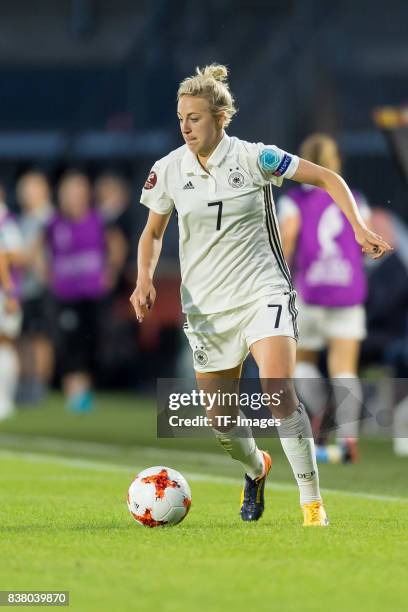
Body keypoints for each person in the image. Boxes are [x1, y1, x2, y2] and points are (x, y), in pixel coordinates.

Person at [130, 64, 390, 526]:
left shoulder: (257, 159)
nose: (186, 126)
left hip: (262, 290)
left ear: (219, 118)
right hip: (207, 309)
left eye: (195, 117)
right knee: (220, 422)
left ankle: (313, 505)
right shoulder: (167, 170)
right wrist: (143, 279)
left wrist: (359, 227)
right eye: (181, 117)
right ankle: (256, 467)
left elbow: (328, 177)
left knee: (277, 389)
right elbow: (153, 233)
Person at [278, 134, 372, 463]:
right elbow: (365, 243)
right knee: (344, 368)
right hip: (347, 291)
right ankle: (348, 440)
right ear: (337, 162)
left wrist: (281, 278)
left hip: (311, 292)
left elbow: (287, 240)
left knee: (301, 363)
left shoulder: (294, 201)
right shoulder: (356, 198)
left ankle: (320, 411)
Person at [44, 170, 107, 412]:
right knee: (68, 344)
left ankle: (85, 391)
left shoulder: (97, 220)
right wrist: (47, 274)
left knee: (90, 344)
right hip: (65, 295)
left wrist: (109, 273)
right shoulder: (55, 224)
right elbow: (41, 250)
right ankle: (75, 395)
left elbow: (114, 245)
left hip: (92, 295)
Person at [16, 170, 55, 403]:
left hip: (43, 287)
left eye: (31, 188)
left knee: (40, 338)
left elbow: (30, 255)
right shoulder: (21, 219)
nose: (26, 193)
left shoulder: (48, 219)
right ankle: (25, 382)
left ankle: (39, 385)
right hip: (23, 289)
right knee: (23, 338)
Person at [0, 184, 25, 420]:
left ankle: (5, 400)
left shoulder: (6, 221)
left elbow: (16, 255)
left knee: (4, 343)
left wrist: (9, 292)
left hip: (4, 294)